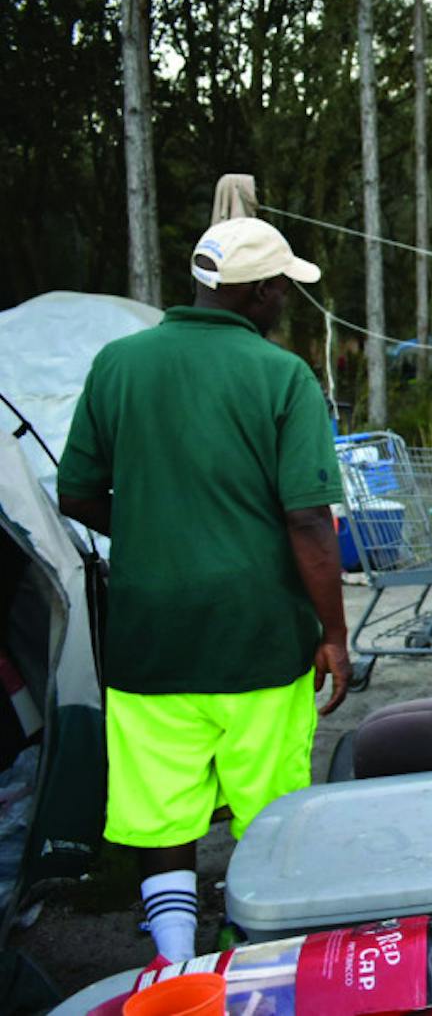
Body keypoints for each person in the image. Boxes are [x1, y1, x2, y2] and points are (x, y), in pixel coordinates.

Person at [57, 216, 351, 964]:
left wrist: (158, 529)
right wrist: (335, 633)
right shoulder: (281, 375)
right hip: (259, 637)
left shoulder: (118, 363)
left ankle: (176, 963)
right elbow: (310, 521)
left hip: (148, 638)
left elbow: (76, 492)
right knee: (269, 811)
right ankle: (256, 949)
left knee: (161, 811)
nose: (286, 299)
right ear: (255, 293)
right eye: (281, 287)